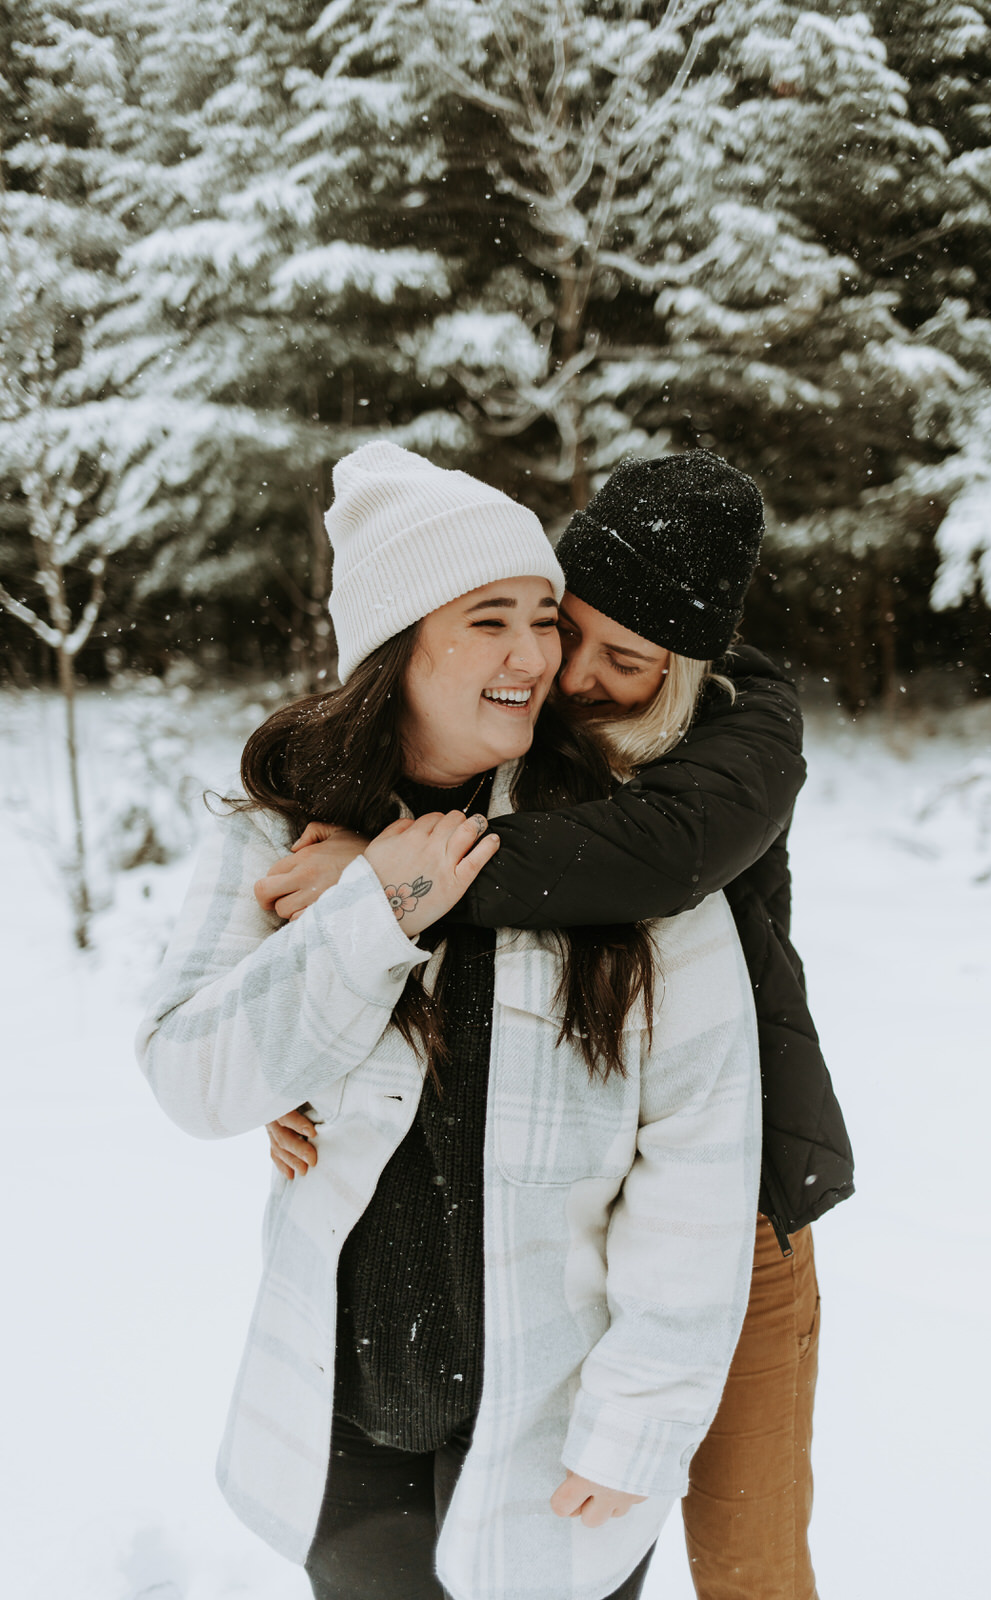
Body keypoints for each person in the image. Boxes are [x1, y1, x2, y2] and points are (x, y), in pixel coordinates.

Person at [136, 442, 762, 1600]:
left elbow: (698, 1154)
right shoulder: (280, 838)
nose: (536, 657)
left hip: (551, 1426)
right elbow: (191, 1077)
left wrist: (635, 1422)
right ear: (397, 644)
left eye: (544, 618)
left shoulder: (619, 857)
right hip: (351, 1419)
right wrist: (373, 911)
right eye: (490, 620)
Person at [260, 451, 855, 1600]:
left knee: (746, 1557)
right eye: (562, 629)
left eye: (623, 659)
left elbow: (657, 858)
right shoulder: (519, 728)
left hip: (733, 1198)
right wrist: (305, 1056)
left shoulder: (740, 731)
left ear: (687, 668)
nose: (568, 673)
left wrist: (402, 875)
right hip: (560, 1205)